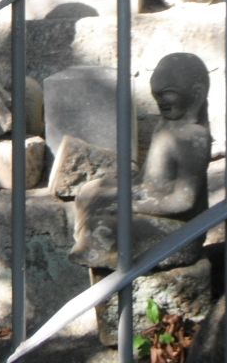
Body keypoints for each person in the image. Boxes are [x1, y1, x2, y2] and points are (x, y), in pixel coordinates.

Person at [70, 52, 211, 268]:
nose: (160, 101)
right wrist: (118, 193)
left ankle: (102, 257)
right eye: (156, 94)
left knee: (103, 225)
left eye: (168, 94)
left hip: (179, 230)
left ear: (197, 93)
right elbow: (145, 180)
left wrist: (133, 206)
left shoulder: (194, 137)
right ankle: (91, 247)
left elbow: (184, 201)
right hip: (151, 202)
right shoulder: (164, 125)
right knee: (90, 191)